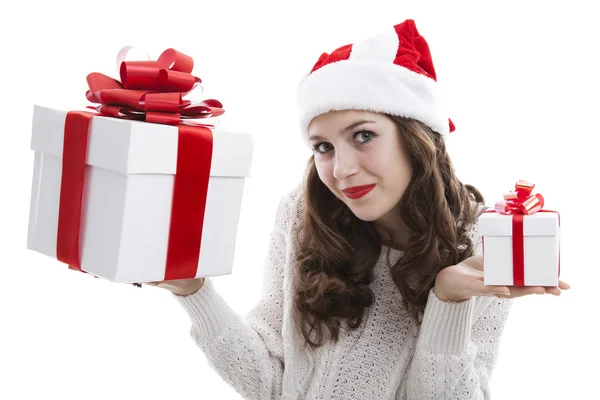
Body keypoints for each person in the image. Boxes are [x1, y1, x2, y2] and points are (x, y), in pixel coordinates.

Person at [145, 19, 569, 399]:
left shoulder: (478, 240)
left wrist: (448, 301)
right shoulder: (302, 214)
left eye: (363, 135)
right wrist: (195, 293)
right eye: (323, 147)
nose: (342, 170)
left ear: (416, 137)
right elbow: (272, 384)